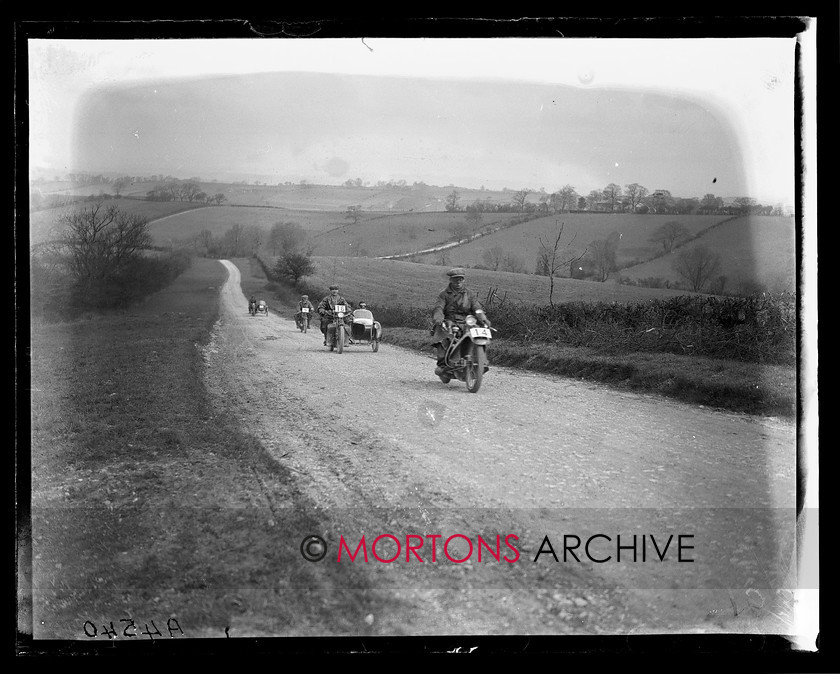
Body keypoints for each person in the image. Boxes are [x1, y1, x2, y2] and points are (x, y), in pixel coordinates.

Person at [430, 267, 492, 376]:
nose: (458, 282)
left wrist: (483, 318)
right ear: (450, 280)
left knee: (480, 334)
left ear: (464, 280)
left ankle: (481, 360)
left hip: (468, 322)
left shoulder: (470, 294)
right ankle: (444, 364)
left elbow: (477, 308)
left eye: (461, 279)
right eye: (455, 280)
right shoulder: (444, 294)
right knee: (444, 334)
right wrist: (439, 319)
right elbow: (438, 308)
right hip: (450, 321)